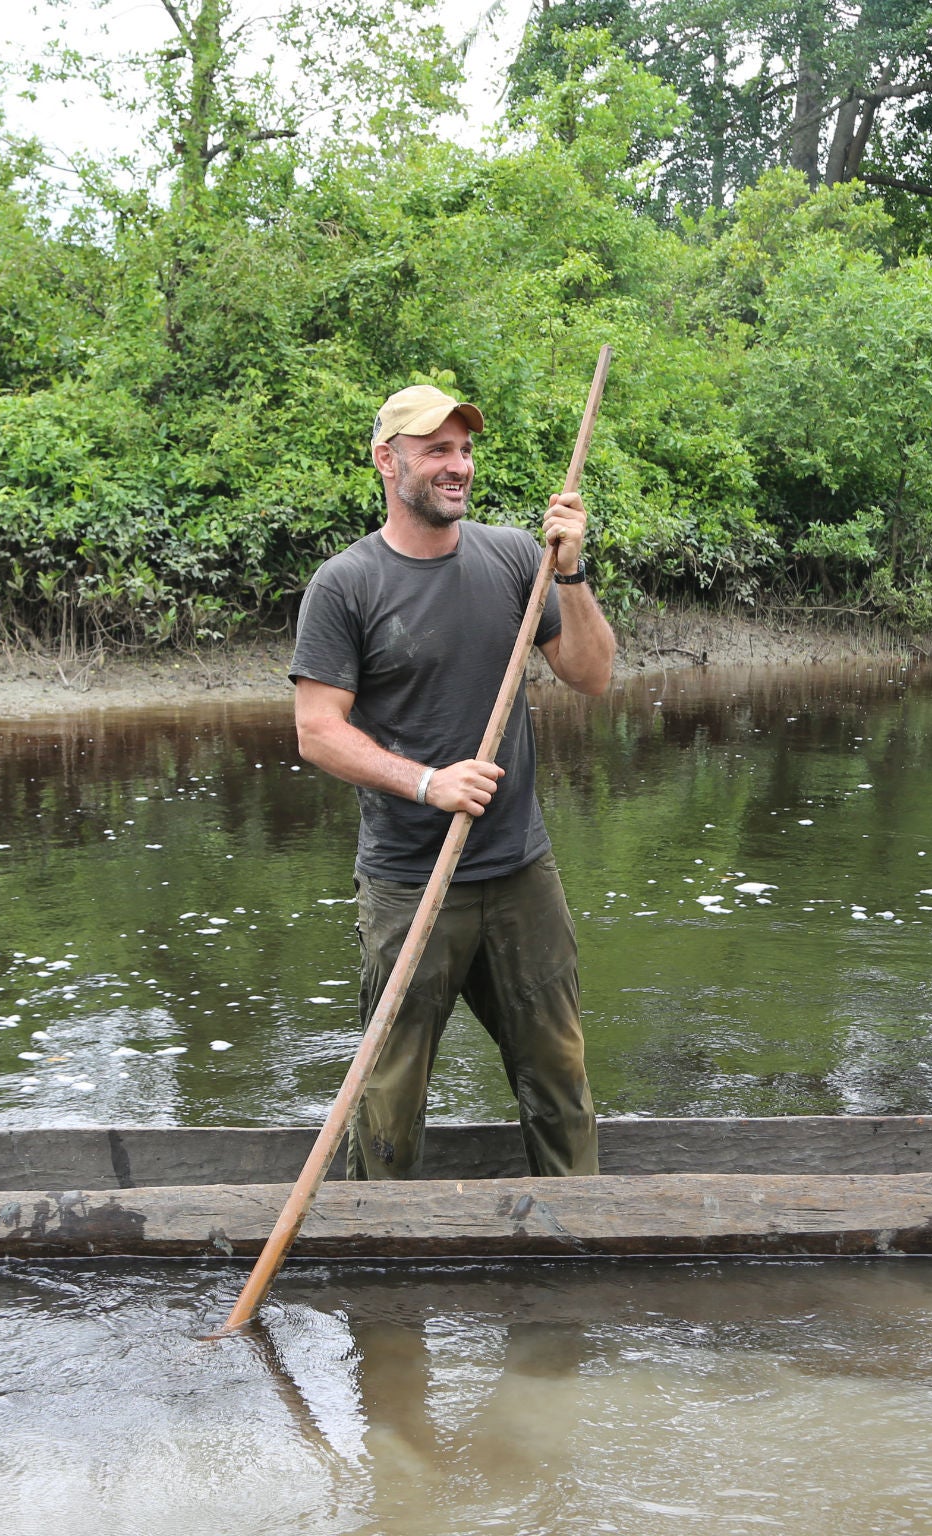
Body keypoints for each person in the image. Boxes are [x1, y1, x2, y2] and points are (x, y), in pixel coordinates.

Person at [290, 383, 617, 1179]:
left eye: (464, 449)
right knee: (389, 1102)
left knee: (561, 1079)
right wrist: (429, 783)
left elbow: (592, 674)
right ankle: (385, 1265)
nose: (457, 465)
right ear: (387, 460)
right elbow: (318, 732)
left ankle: (575, 1251)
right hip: (409, 882)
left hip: (518, 873)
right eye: (436, 449)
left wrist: (569, 575)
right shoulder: (348, 584)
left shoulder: (513, 557)